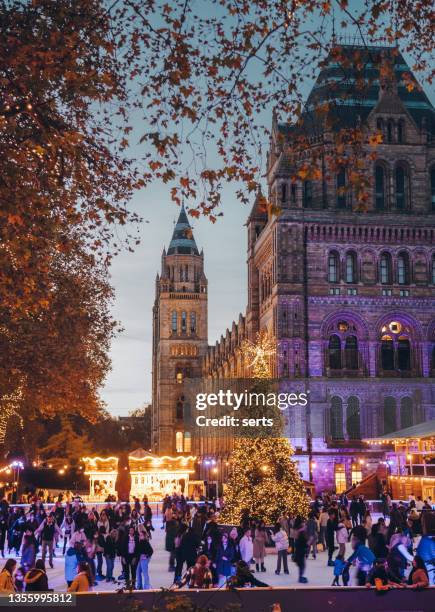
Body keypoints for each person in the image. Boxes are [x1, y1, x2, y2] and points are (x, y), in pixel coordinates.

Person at [293, 519, 308, 583]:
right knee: (302, 565)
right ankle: (300, 577)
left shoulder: (300, 532)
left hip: (300, 550)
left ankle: (300, 576)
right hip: (300, 551)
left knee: (302, 565)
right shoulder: (300, 533)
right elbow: (302, 542)